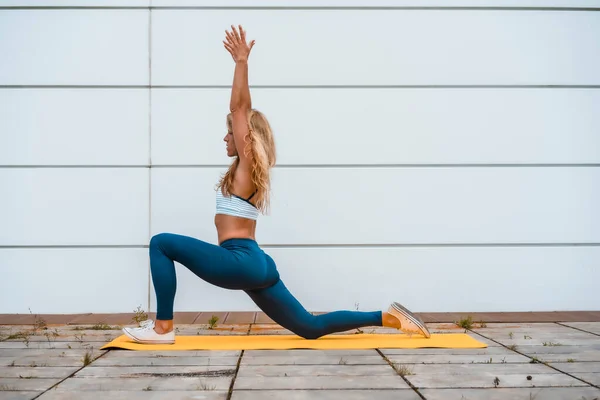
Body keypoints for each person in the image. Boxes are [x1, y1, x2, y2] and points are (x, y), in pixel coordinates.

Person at [123, 25, 431, 344]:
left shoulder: (247, 166)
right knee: (309, 328)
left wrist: (240, 62)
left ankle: (163, 328)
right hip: (256, 264)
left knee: (161, 242)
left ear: (245, 138)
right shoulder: (245, 172)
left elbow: (240, 108)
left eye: (230, 133)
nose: (226, 138)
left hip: (240, 260)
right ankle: (388, 317)